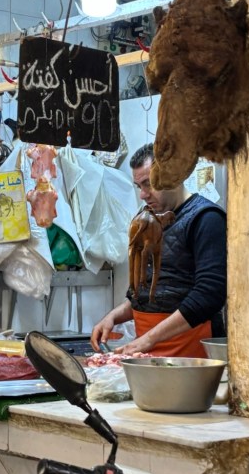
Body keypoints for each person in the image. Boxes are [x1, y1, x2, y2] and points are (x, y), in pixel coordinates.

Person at [91, 144, 227, 357]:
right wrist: (113, 317)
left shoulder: (206, 218)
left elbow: (209, 295)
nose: (143, 195)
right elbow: (148, 294)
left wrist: (148, 339)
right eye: (139, 186)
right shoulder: (148, 220)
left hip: (191, 353)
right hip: (147, 350)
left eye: (149, 184)